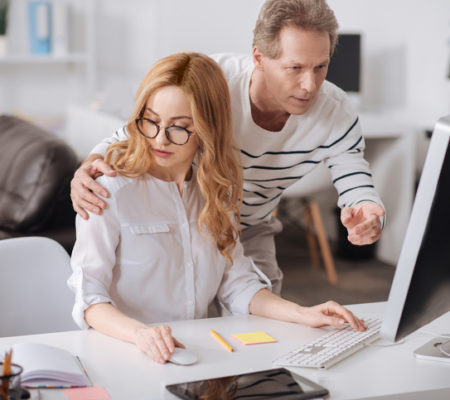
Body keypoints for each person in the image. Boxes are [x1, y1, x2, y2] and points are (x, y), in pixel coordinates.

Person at [67, 52, 366, 364]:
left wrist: (302, 313)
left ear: (207, 129)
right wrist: (141, 334)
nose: (161, 139)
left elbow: (237, 284)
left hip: (191, 355)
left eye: (180, 127)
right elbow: (89, 299)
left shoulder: (216, 193)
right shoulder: (107, 191)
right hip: (122, 354)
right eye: (151, 121)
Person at [70, 0, 385, 295]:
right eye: (295, 68)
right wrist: (89, 165)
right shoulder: (214, 80)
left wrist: (368, 210)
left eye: (320, 67)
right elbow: (143, 128)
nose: (310, 85)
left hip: (251, 225)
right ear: (259, 58)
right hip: (192, 216)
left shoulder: (335, 110)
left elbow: (353, 170)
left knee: (263, 309)